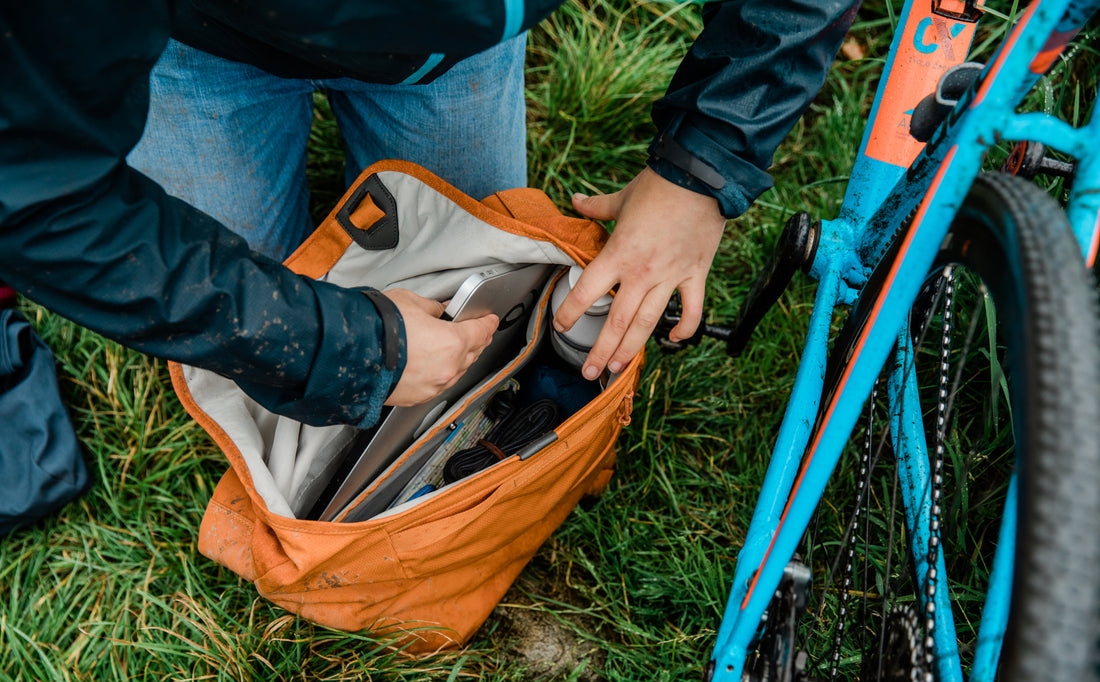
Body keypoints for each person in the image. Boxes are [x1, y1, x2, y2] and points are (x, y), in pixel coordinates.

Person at [0, 1, 858, 431]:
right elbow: (35, 188)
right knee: (243, 369)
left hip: (455, 43)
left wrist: (701, 166)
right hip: (196, 39)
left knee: (476, 292)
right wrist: (341, 346)